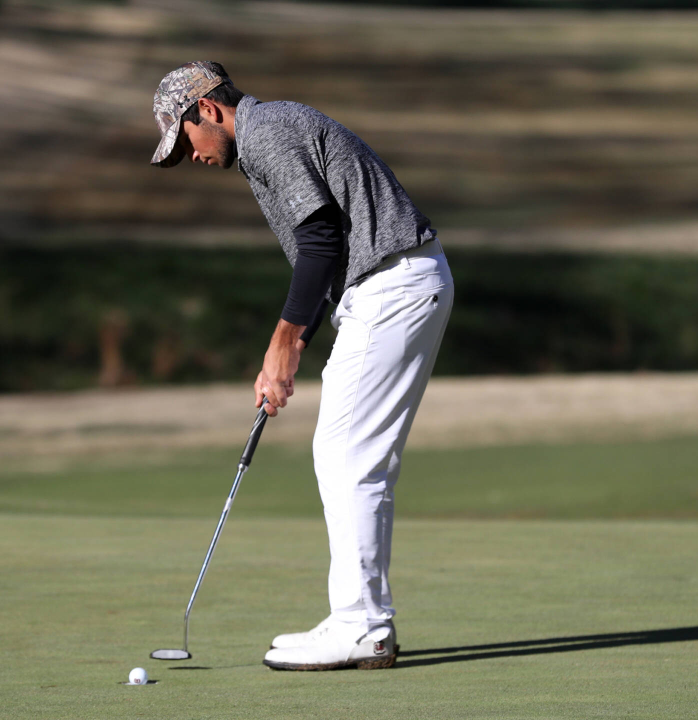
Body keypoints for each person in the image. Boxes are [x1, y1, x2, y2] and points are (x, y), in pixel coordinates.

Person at [150, 61, 453, 671]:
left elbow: (320, 242)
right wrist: (294, 347)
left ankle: (363, 626)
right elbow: (325, 250)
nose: (192, 157)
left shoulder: (266, 132)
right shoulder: (270, 133)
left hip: (391, 286)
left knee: (347, 455)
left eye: (185, 141)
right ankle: (359, 620)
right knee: (346, 454)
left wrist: (282, 342)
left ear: (207, 110)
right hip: (386, 286)